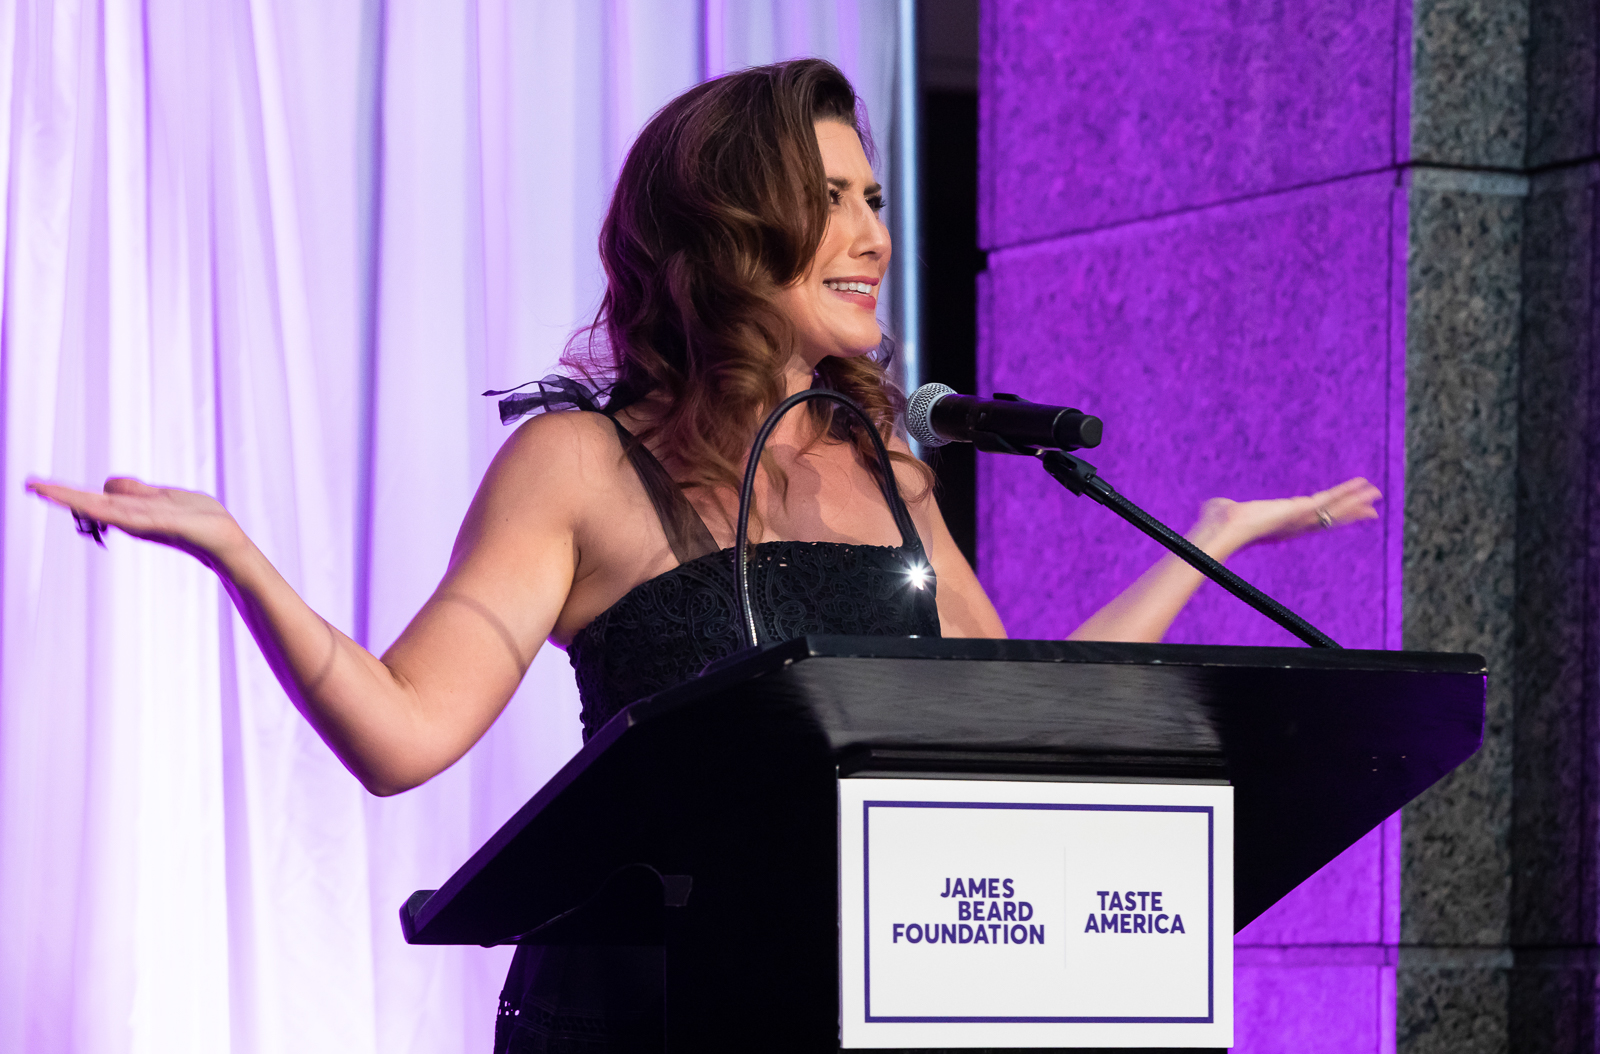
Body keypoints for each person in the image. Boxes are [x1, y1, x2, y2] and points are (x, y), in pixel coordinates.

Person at [27, 59, 1379, 1052]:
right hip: (637, 1008)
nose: (874, 235)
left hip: (853, 1000)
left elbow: (1026, 698)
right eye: (830, 199)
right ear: (732, 229)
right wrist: (238, 555)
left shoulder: (892, 470)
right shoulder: (577, 467)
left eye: (875, 196)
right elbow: (402, 730)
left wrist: (1205, 546)